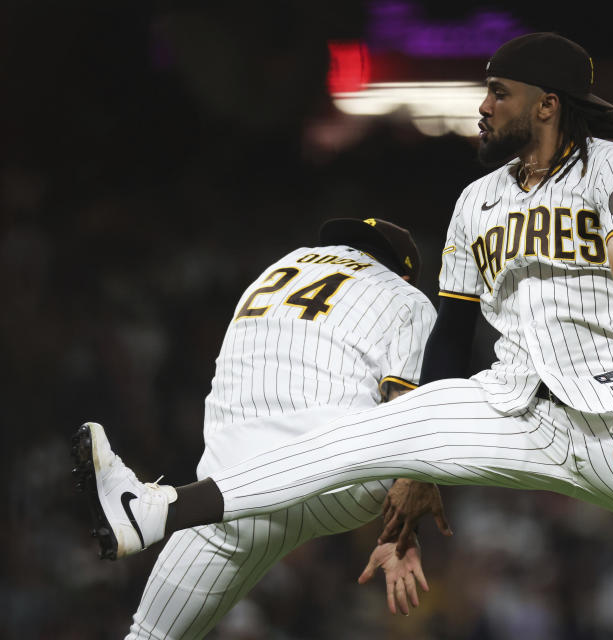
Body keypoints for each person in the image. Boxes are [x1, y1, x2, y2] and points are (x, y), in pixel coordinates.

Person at [73, 32, 613, 598]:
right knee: (341, 447)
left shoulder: (612, 165)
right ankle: (156, 509)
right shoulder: (472, 203)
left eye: (499, 92)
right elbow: (453, 336)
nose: (483, 104)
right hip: (509, 408)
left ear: (547, 104)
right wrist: (420, 465)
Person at [74, 217, 449, 639]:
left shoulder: (276, 270)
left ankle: (158, 506)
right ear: (402, 270)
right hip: (339, 481)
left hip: (231, 487)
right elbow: (406, 412)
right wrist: (403, 532)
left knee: (149, 635)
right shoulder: (406, 295)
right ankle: (153, 508)